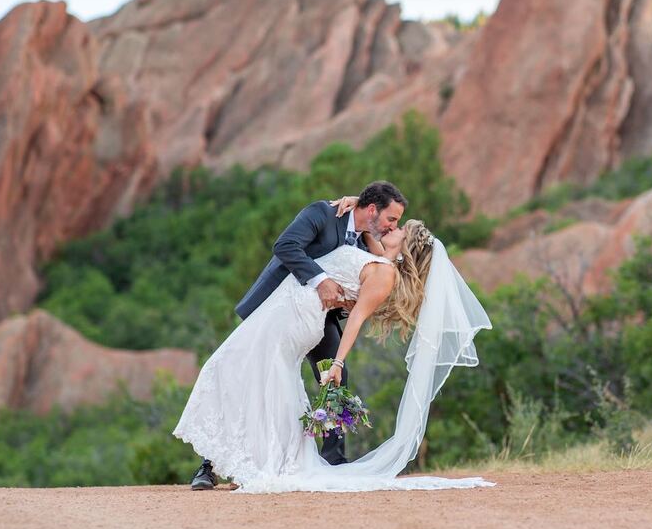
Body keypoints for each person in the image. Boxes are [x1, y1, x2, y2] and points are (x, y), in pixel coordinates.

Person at [173, 184, 492, 493]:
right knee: (260, 378)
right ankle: (229, 462)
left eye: (397, 225)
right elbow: (288, 247)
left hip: (307, 317)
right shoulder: (337, 220)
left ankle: (326, 458)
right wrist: (330, 266)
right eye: (391, 219)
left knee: (264, 374)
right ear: (371, 210)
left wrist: (339, 357)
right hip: (286, 303)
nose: (393, 226)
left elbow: (358, 307)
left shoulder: (381, 261)